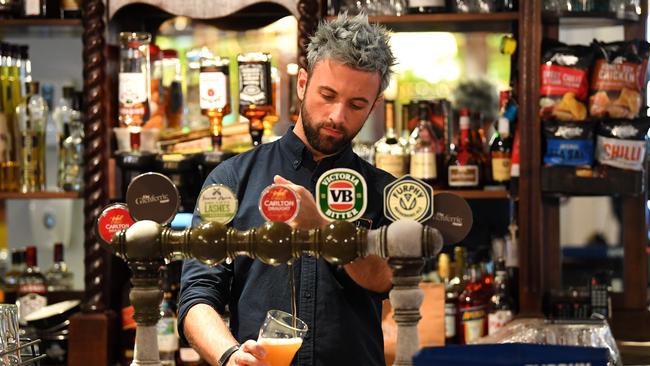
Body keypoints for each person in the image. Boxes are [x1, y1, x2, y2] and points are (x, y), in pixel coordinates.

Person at [178, 13, 397, 366]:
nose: (337, 116)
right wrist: (229, 355)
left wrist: (322, 230)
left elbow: (383, 279)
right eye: (327, 95)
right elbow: (198, 293)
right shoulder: (232, 180)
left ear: (374, 105)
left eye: (356, 105)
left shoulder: (381, 191)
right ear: (302, 84)